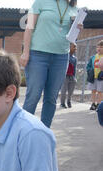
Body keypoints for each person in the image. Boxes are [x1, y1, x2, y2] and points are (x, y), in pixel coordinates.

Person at [20, 0, 80, 128]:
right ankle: (23, 131)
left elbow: (72, 36)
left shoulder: (73, 8)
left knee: (51, 98)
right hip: (37, 55)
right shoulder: (40, 2)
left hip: (61, 57)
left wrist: (78, 28)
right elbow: (29, 27)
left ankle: (44, 131)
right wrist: (25, 52)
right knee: (34, 95)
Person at [87, 40, 103, 111]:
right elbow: (88, 66)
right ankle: (93, 104)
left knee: (100, 91)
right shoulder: (93, 57)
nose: (99, 49)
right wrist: (90, 71)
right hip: (93, 77)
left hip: (101, 77)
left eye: (101, 47)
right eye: (98, 47)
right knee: (93, 90)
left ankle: (99, 104)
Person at [60, 43, 77, 108]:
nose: (75, 49)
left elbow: (75, 68)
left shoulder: (74, 58)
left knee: (71, 90)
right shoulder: (65, 56)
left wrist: (74, 76)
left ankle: (69, 101)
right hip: (65, 76)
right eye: (74, 47)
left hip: (71, 76)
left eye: (76, 47)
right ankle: (62, 103)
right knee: (63, 90)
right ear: (69, 47)